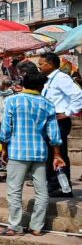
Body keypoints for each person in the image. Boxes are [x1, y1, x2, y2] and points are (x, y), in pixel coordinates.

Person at [0, 71, 66, 236]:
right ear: (41, 87)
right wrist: (57, 154)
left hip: (17, 151)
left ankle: (14, 226)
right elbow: (54, 134)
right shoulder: (47, 104)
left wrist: (4, 148)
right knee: (41, 191)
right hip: (39, 153)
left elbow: (5, 129)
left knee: (14, 190)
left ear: (24, 84)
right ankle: (36, 227)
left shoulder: (12, 101)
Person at [39, 53, 82, 197]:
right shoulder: (49, 80)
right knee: (50, 153)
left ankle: (63, 187)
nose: (39, 66)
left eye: (41, 64)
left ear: (50, 64)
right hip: (50, 120)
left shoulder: (61, 78)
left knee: (59, 153)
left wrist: (69, 112)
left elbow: (78, 95)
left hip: (59, 121)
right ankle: (53, 185)